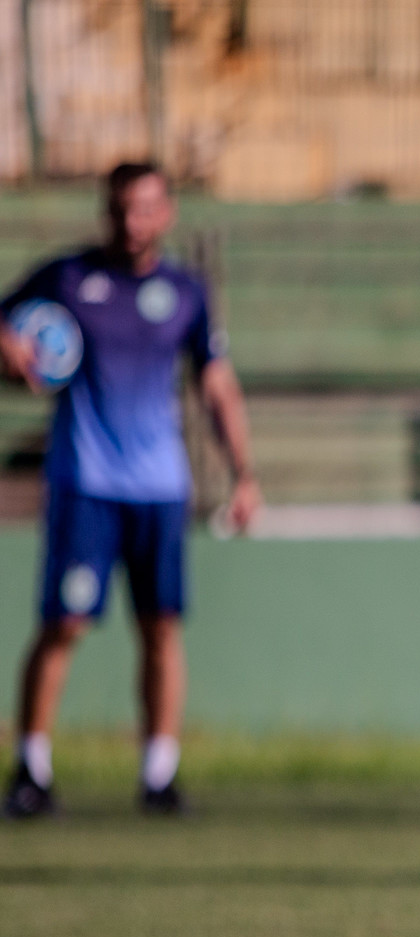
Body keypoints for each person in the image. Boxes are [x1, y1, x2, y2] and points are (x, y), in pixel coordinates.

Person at [2, 161, 260, 819]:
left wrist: (244, 472)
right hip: (86, 481)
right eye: (120, 209)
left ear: (167, 213)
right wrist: (12, 354)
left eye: (144, 209)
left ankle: (159, 771)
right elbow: (6, 329)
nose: (131, 222)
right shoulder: (66, 278)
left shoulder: (185, 291)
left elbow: (217, 383)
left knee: (162, 626)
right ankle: (32, 768)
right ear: (105, 211)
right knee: (63, 623)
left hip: (159, 487)